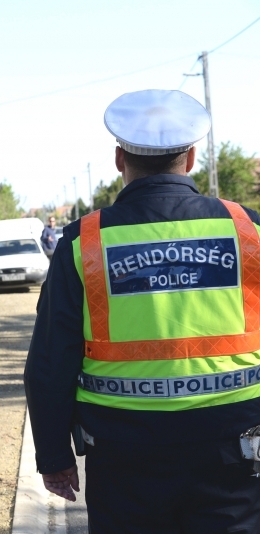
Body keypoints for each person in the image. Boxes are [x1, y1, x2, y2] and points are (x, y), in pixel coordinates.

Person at [24, 89, 260, 533]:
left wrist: (55, 457)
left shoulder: (84, 243)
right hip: (235, 455)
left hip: (124, 458)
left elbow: (50, 362)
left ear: (119, 159)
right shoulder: (248, 231)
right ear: (190, 158)